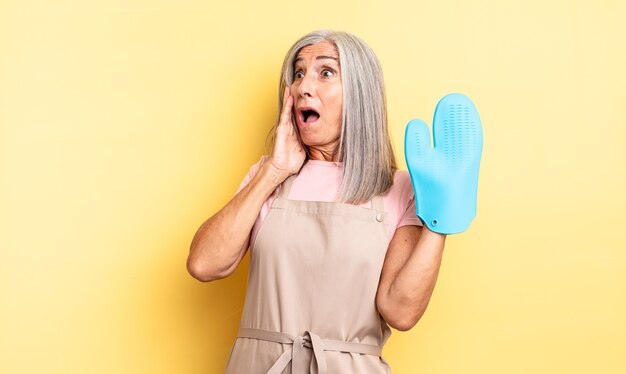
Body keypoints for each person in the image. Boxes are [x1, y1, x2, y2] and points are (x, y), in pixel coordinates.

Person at [187, 30, 447, 373]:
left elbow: (400, 312)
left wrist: (442, 218)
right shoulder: (267, 177)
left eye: (325, 72)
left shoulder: (398, 189)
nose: (302, 87)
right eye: (298, 73)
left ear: (360, 94)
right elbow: (204, 264)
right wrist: (275, 170)